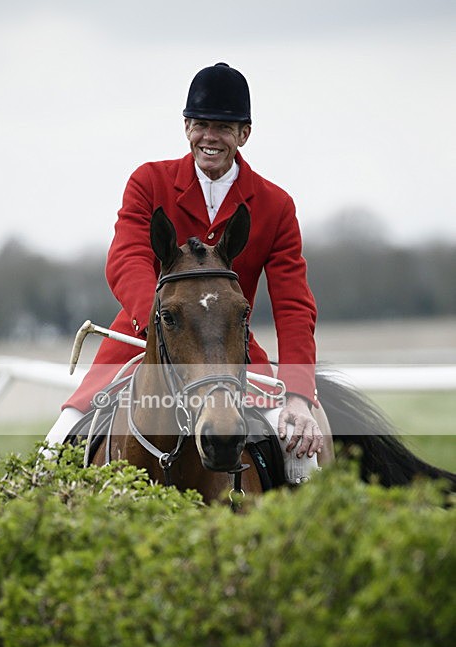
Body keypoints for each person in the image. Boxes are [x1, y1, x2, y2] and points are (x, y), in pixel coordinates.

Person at [47, 62, 327, 480]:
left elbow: (293, 306)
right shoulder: (148, 181)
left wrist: (300, 395)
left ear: (244, 134)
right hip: (142, 338)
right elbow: (127, 258)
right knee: (56, 448)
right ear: (185, 127)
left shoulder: (276, 205)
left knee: (304, 459)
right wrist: (158, 322)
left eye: (224, 127)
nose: (210, 137)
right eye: (200, 124)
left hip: (230, 348)